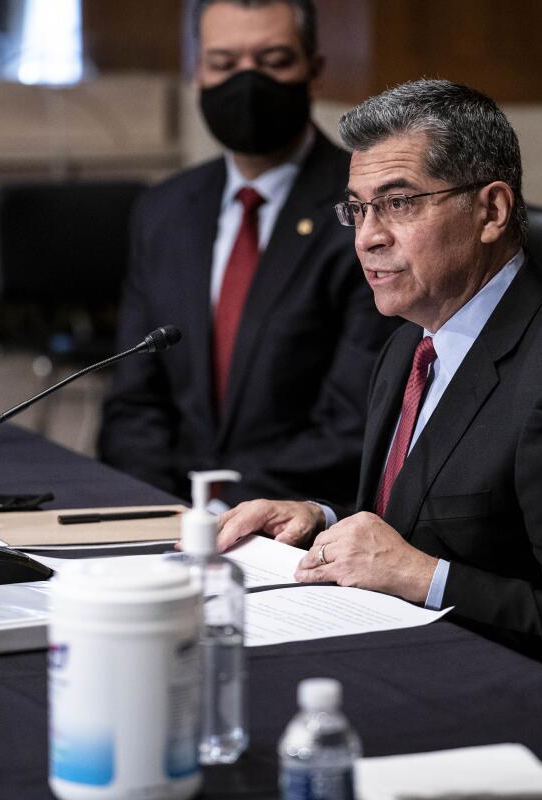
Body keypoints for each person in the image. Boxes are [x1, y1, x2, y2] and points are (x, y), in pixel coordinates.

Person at [218, 79, 542, 695]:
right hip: (407, 662)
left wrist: (423, 576)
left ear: (491, 211)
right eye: (357, 208)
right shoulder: (415, 337)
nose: (366, 236)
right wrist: (318, 520)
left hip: (514, 706)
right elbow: (419, 519)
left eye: (399, 203)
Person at [98, 0, 396, 508]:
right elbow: (133, 402)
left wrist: (223, 505)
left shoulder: (368, 211)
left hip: (303, 520)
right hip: (166, 517)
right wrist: (164, 509)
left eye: (274, 60)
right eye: (224, 64)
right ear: (198, 72)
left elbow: (359, 423)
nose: (247, 82)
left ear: (314, 70)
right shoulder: (163, 210)